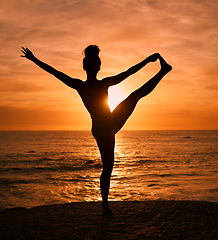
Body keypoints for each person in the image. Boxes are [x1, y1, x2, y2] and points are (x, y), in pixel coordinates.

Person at [21, 45, 172, 215]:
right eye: (89, 65)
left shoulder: (105, 83)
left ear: (99, 67)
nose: (92, 68)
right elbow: (55, 73)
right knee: (108, 167)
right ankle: (105, 205)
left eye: (95, 65)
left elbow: (128, 73)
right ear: (84, 67)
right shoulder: (80, 86)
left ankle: (163, 71)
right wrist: (33, 59)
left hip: (112, 119)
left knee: (135, 95)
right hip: (102, 128)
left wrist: (146, 60)